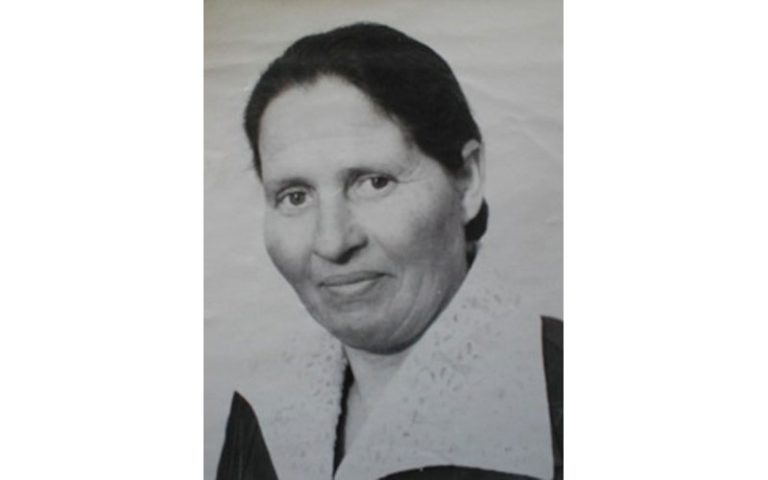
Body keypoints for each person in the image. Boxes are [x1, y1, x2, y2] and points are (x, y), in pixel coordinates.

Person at [216, 23, 562, 480]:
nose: (332, 242)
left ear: (467, 182)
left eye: (374, 182)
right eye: (295, 196)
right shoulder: (264, 410)